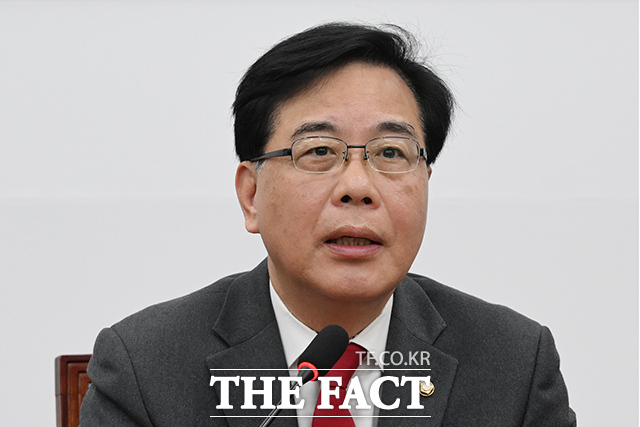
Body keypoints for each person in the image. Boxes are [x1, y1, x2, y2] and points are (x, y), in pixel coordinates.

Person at [79, 22, 576, 426]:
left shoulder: (514, 364)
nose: (357, 186)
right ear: (251, 196)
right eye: (318, 151)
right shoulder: (145, 367)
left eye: (391, 153)